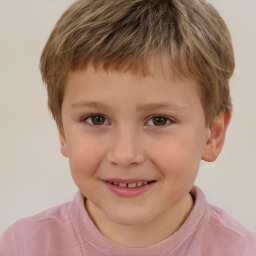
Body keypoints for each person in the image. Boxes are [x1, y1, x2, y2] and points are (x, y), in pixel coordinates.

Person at [1, 0, 255, 255]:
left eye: (159, 120)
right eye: (96, 119)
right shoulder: (21, 247)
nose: (124, 155)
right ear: (63, 131)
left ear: (213, 134)